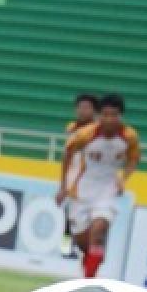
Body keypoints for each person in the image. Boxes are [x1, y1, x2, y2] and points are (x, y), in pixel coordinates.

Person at [57, 93, 140, 278]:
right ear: (100, 115)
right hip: (82, 192)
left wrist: (123, 178)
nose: (110, 119)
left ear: (121, 116)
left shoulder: (129, 136)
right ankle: (92, 260)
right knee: (83, 244)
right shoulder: (86, 135)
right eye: (106, 114)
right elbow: (67, 154)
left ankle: (88, 282)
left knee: (99, 231)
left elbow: (134, 158)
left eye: (114, 115)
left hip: (107, 191)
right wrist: (63, 187)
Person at [61, 93, 100, 258]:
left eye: (87, 108)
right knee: (70, 217)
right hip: (73, 183)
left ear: (94, 111)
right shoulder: (72, 129)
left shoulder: (98, 132)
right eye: (80, 107)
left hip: (90, 183)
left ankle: (89, 252)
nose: (82, 111)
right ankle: (67, 248)